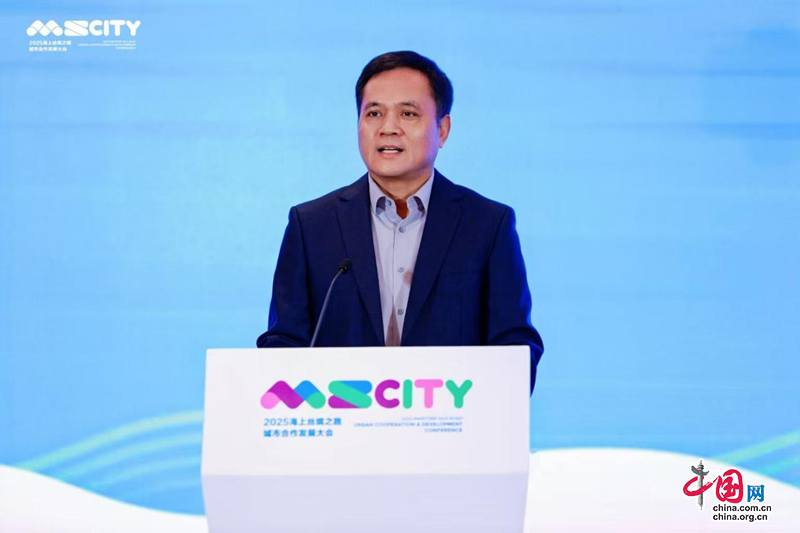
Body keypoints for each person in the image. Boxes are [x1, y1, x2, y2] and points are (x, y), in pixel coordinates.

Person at [257, 51, 544, 392]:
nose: (388, 128)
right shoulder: (311, 225)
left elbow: (514, 347)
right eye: (374, 113)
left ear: (442, 130)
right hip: (344, 420)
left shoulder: (487, 225)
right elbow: (284, 345)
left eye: (408, 113)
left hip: (450, 421)